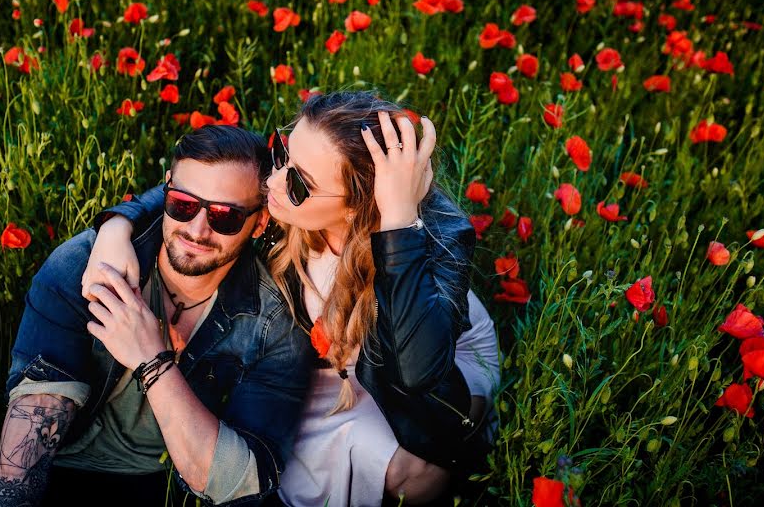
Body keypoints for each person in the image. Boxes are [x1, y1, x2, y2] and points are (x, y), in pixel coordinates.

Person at [83, 91, 501, 506]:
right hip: (334, 368)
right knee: (278, 456)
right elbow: (204, 186)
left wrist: (397, 222)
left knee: (418, 479)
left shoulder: (439, 234)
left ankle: (479, 437)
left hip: (426, 360)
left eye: (299, 182)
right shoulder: (287, 200)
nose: (274, 181)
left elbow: (417, 370)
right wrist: (117, 225)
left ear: (357, 205)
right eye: (282, 154)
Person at [0, 126, 314, 506]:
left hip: (170, 486)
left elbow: (238, 483)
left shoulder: (273, 322)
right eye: (183, 205)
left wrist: (152, 361)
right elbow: (18, 466)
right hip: (66, 471)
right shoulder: (84, 268)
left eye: (225, 217)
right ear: (167, 191)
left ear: (259, 223)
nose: (197, 229)